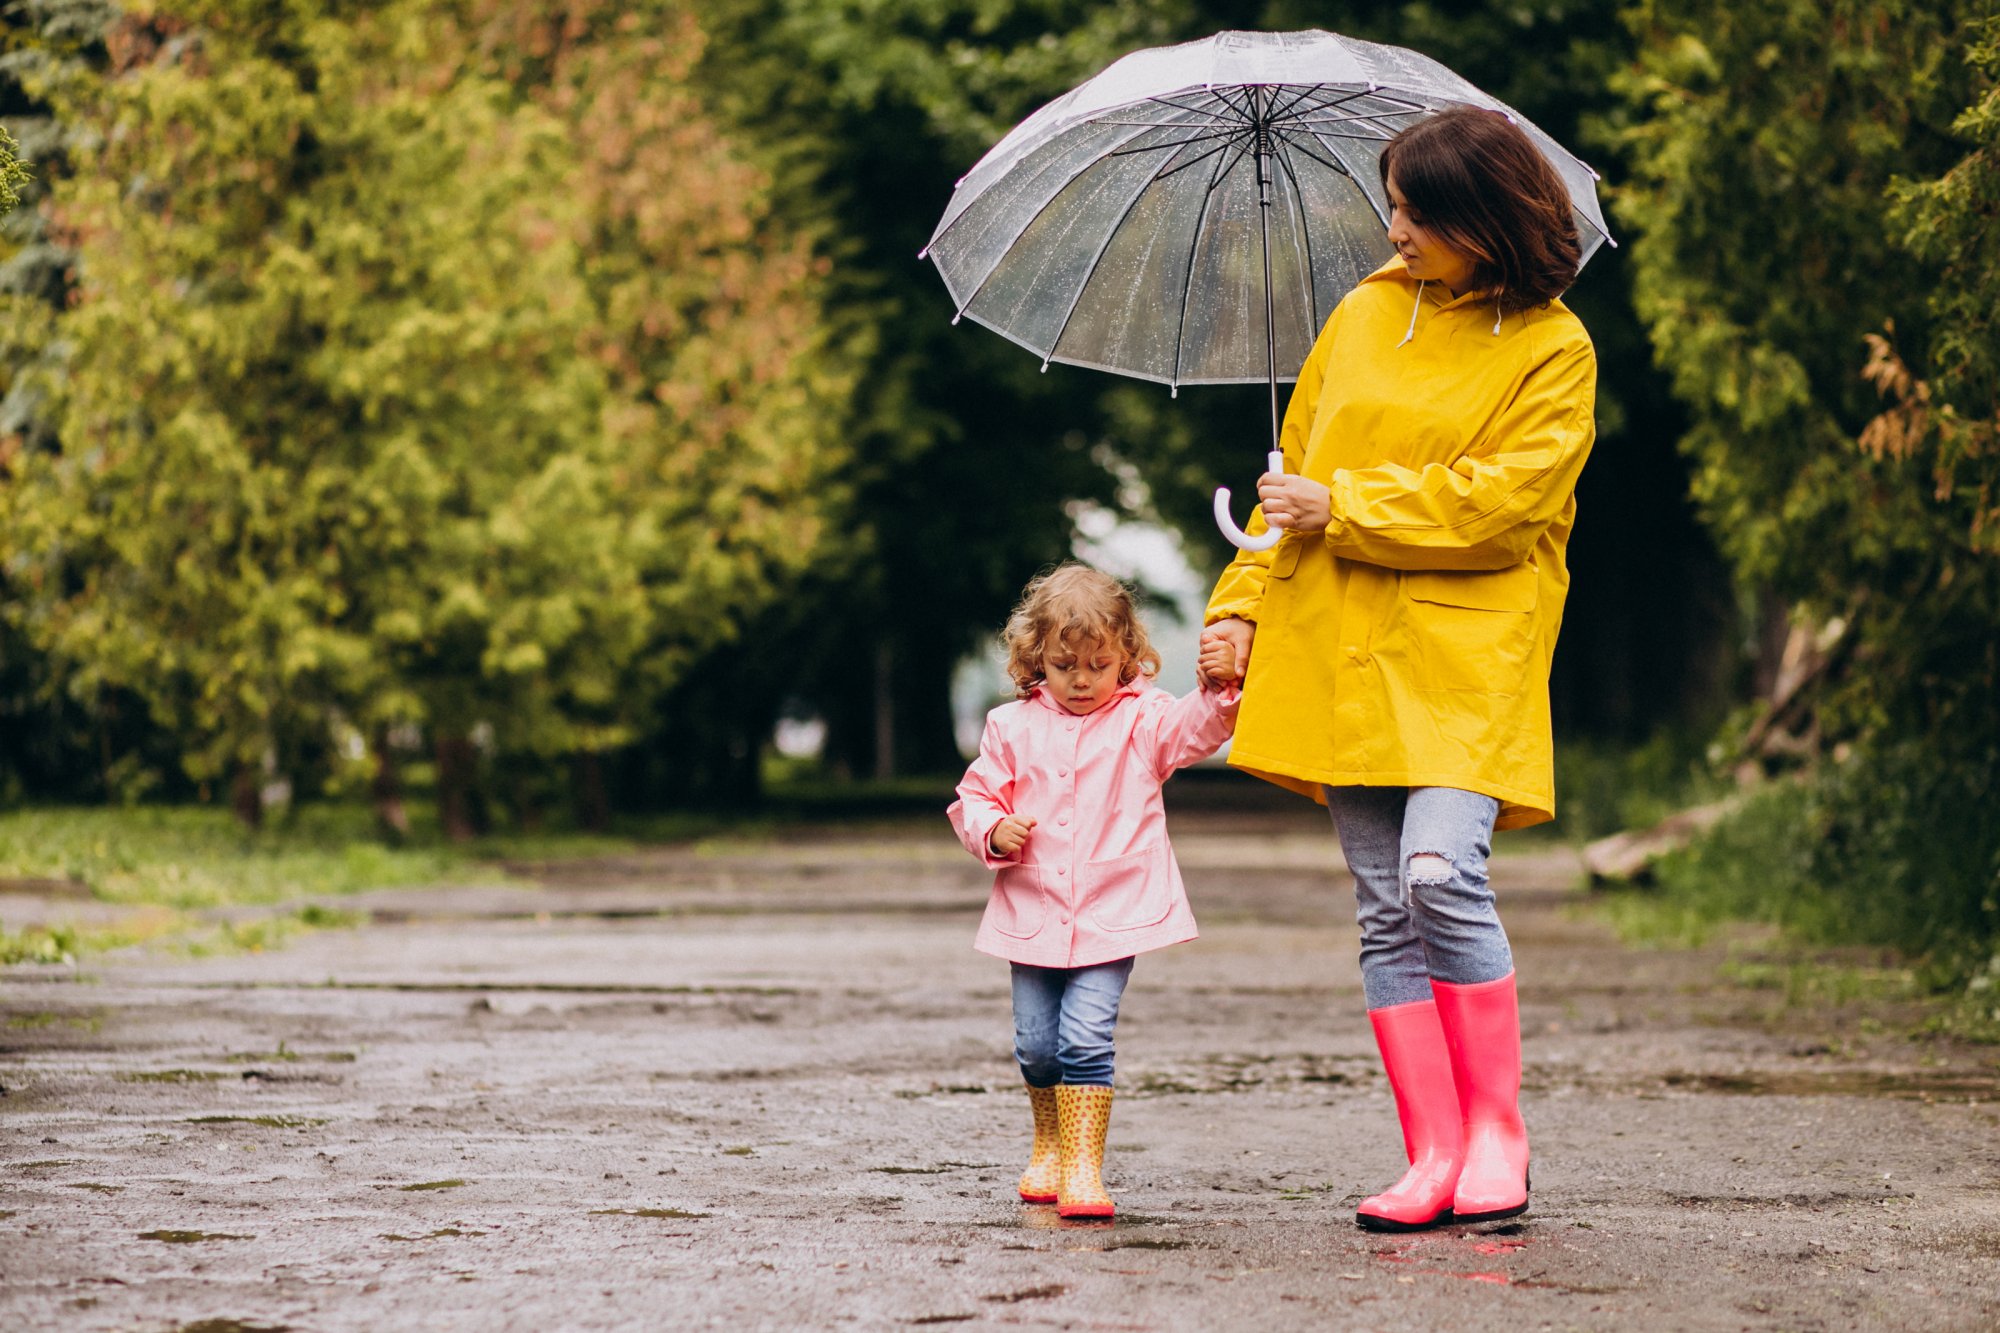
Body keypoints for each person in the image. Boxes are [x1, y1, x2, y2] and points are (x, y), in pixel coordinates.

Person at [1199, 106, 1596, 1232]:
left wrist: (1349, 507)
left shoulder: (1551, 347)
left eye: (1419, 211)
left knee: (1436, 873)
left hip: (1465, 654)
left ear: (1487, 218)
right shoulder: (1362, 314)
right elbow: (1291, 490)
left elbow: (1506, 505)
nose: (1395, 227)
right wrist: (1237, 612)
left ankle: (1497, 1134)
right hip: (1337, 641)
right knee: (1381, 909)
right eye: (1394, 204)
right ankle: (1430, 1151)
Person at [948, 563, 1238, 1218]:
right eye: (1063, 665)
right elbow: (975, 798)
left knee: (1085, 1036)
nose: (1082, 680)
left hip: (1114, 910)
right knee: (1036, 1042)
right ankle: (1048, 1141)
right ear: (1035, 659)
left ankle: (1083, 1166)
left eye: (1098, 664)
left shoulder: (1145, 720)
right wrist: (993, 829)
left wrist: (1219, 688)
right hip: (1034, 907)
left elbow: (1198, 729)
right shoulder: (1011, 726)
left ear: (1127, 657)